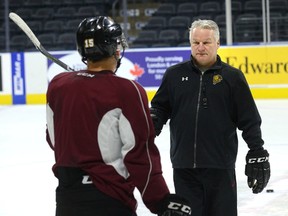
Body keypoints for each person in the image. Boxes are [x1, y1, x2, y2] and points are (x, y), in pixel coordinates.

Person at [46, 16, 191, 216]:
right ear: (115, 48)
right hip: (109, 200)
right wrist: (160, 200)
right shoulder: (128, 90)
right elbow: (140, 154)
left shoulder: (58, 85)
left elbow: (54, 139)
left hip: (66, 199)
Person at [150, 19, 271, 216]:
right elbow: (160, 108)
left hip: (220, 167)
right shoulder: (174, 75)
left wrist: (257, 150)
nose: (200, 48)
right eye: (195, 42)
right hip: (184, 167)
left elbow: (249, 119)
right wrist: (150, 128)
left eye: (206, 42)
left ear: (217, 44)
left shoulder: (233, 78)